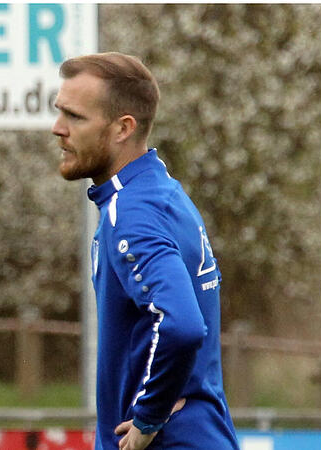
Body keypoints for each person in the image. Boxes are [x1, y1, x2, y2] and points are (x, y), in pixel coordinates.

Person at [52, 52, 239, 450]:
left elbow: (182, 325)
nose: (58, 128)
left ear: (123, 128)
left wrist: (148, 416)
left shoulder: (132, 213)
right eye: (60, 112)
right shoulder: (162, 192)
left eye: (75, 117)